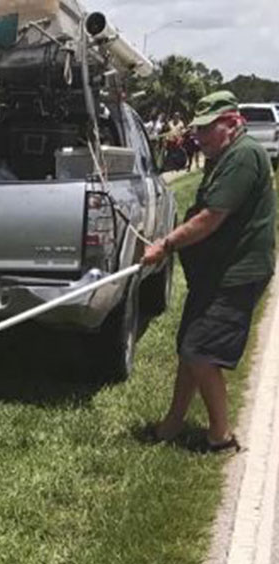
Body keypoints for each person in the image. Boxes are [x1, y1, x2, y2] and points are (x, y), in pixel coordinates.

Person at [142, 90, 276, 451]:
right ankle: (172, 424)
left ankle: (220, 437)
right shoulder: (223, 154)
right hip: (214, 271)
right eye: (196, 130)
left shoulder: (244, 156)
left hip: (236, 273)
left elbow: (211, 218)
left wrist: (166, 245)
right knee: (189, 346)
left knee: (201, 352)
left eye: (206, 129)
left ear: (232, 123)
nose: (197, 138)